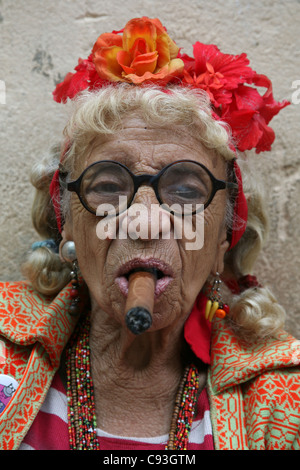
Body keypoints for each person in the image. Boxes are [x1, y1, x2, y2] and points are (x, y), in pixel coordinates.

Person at [0, 16, 299, 451]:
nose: (144, 221)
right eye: (107, 186)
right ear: (67, 224)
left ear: (222, 241)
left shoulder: (281, 398)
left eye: (184, 190)